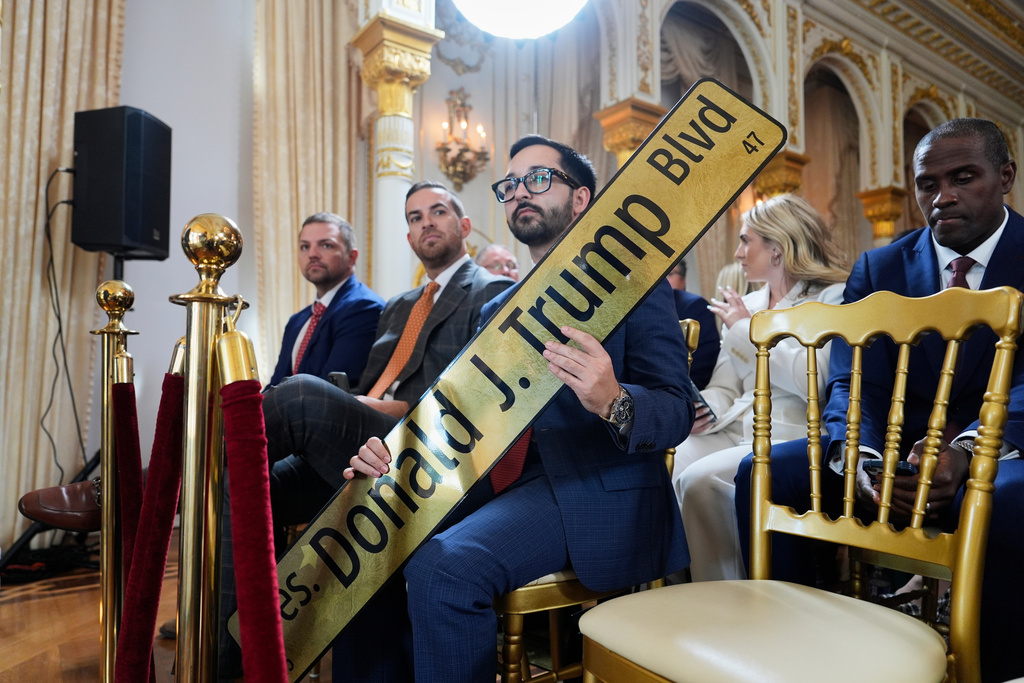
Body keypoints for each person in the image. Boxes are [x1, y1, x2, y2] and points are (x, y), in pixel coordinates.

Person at [342, 135, 693, 682]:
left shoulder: (636, 282)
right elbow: (460, 412)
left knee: (444, 568)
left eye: (537, 179)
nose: (518, 192)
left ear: (581, 199)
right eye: (509, 186)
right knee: (371, 539)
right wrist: (394, 454)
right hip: (497, 480)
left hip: (593, 484)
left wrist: (614, 400)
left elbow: (675, 411)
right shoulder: (498, 307)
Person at [733, 118, 1024, 682]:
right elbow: (853, 381)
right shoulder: (881, 266)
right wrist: (865, 460)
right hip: (891, 448)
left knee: (1007, 501)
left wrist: (969, 452)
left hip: (999, 449)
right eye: (927, 184)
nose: (942, 197)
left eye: (963, 177)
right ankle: (798, 652)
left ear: (1006, 176)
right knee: (761, 472)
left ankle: (995, 665)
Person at [671, 194, 848, 581]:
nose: (737, 253)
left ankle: (731, 593)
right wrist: (704, 408)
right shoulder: (748, 301)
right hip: (737, 424)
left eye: (746, 240)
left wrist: (745, 330)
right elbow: (724, 385)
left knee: (700, 481)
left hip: (794, 429)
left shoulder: (832, 297)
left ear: (778, 249)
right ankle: (678, 588)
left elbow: (815, 381)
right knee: (669, 460)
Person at [268, 212, 384, 387]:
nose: (312, 254)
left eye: (326, 245)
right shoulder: (297, 321)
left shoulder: (364, 308)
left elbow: (328, 392)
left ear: (352, 257)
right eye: (305, 247)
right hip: (286, 412)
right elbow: (275, 385)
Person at [666, 259, 719, 389]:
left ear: (683, 281)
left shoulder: (695, 306)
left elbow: (703, 367)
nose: (662, 280)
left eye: (670, 273)